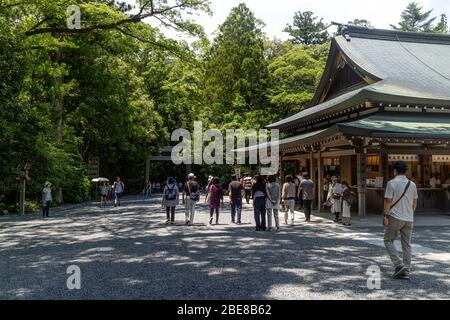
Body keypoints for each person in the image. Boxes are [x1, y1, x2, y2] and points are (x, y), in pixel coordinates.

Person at [383, 160, 418, 280]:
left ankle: (399, 264)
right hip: (409, 218)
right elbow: (414, 203)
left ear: (395, 171)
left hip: (395, 216)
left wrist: (386, 216)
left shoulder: (391, 183)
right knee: (407, 244)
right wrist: (409, 213)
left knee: (388, 240)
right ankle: (406, 270)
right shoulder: (412, 184)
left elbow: (388, 201)